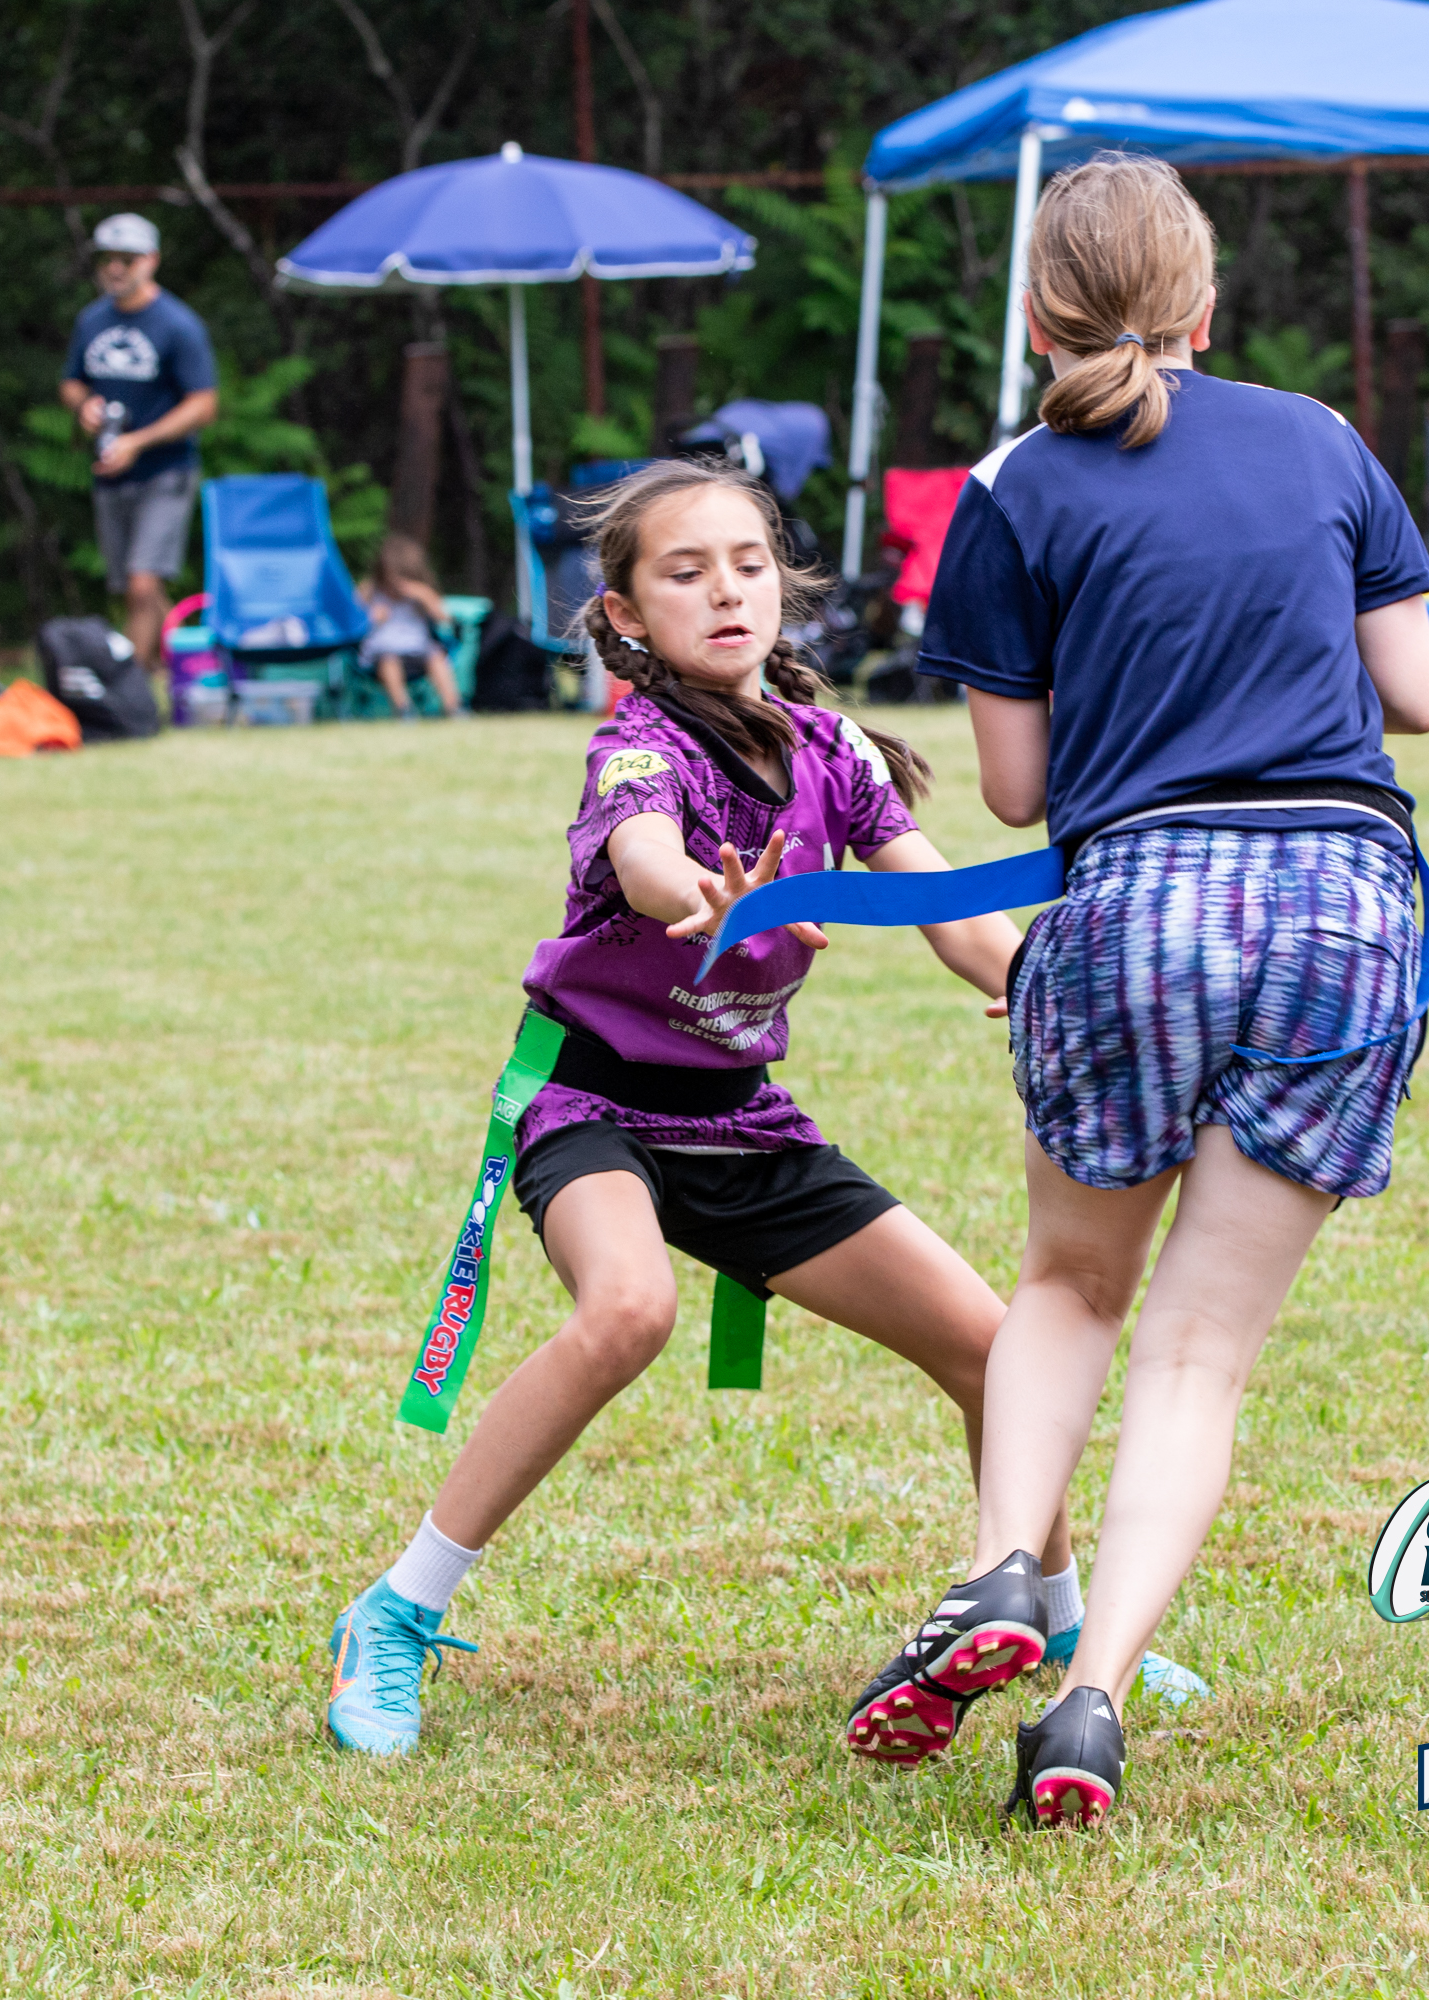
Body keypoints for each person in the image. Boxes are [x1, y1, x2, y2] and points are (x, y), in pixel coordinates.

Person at [845, 153, 1429, 1830]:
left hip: (1132, 907)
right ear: (1206, 308)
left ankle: (999, 1569)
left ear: (1038, 318)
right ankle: (1093, 1694)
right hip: (1339, 906)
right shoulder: (1322, 439)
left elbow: (1017, 791)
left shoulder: (1011, 489)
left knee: (1068, 1287)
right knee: (1197, 1355)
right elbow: (1418, 696)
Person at [324, 460, 1081, 1757]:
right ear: (625, 614)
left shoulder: (833, 751)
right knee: (630, 1309)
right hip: (594, 1105)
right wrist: (709, 896)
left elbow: (948, 910)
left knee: (997, 1351)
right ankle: (396, 1611)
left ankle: (1064, 1633)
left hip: (742, 1122)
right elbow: (644, 858)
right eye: (686, 572)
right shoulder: (636, 746)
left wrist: (1051, 991)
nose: (726, 591)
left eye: (746, 564)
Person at [58, 214, 219, 680]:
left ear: (151, 260)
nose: (115, 268)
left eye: (126, 259)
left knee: (142, 583)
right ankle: (188, 669)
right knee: (135, 587)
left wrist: (139, 441)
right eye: (107, 259)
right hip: (111, 472)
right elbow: (71, 382)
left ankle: (127, 687)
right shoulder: (92, 319)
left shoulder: (178, 325)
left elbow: (204, 405)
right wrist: (84, 405)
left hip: (165, 471)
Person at [358, 534, 465, 719]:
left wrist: (425, 596)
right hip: (382, 652)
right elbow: (353, 623)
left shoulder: (422, 593)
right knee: (389, 662)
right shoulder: (369, 590)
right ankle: (403, 709)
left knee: (437, 657)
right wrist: (371, 617)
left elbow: (445, 618)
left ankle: (453, 707)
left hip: (418, 650)